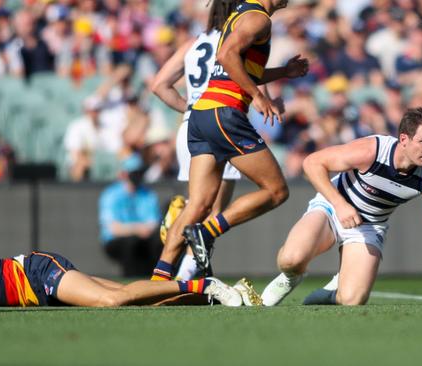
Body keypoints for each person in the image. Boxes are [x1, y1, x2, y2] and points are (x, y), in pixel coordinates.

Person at [150, 0, 309, 280]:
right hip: (225, 113)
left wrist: (284, 72)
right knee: (276, 191)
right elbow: (226, 55)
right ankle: (206, 232)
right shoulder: (258, 19)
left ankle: (158, 279)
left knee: (197, 205)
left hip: (200, 114)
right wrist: (259, 97)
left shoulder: (239, 16)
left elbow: (239, 68)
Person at [260, 108, 422, 306]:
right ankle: (290, 277)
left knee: (352, 300)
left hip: (369, 226)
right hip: (331, 208)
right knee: (290, 260)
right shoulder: (372, 151)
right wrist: (340, 204)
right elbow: (312, 163)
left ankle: (331, 292)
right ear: (403, 139)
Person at [151, 0, 241, 282]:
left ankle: (170, 272)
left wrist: (190, 108)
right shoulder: (235, 38)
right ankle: (186, 273)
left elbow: (159, 85)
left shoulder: (193, 42)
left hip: (191, 126)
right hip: (221, 122)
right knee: (213, 210)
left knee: (199, 203)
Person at [0, 250, 243, 309]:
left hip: (36, 274)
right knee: (131, 296)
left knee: (112, 301)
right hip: (37, 291)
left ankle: (204, 284)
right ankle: (214, 296)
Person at [98, 154, 162, 277]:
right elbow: (114, 229)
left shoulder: (148, 194)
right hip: (117, 241)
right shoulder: (111, 195)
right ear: (123, 174)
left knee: (157, 242)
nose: (137, 176)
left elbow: (154, 223)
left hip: (145, 238)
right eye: (134, 172)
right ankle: (131, 280)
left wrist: (144, 230)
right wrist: (138, 229)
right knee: (132, 243)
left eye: (139, 172)